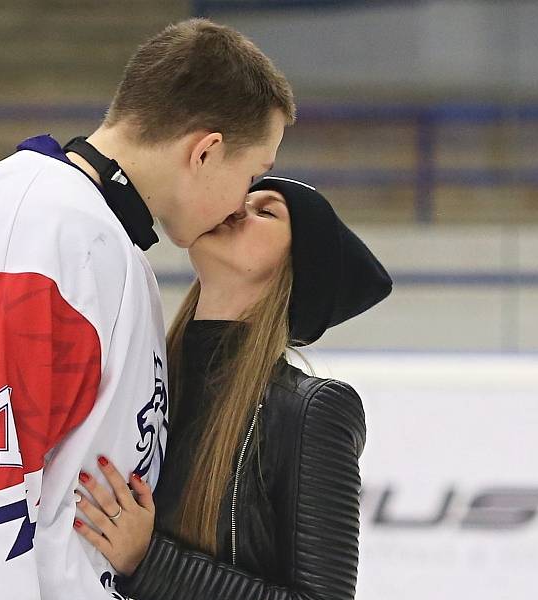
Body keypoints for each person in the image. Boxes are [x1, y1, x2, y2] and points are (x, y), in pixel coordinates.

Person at [0, 19, 295, 600]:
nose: (243, 200)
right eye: (253, 175)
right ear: (206, 150)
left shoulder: (103, 240)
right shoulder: (43, 226)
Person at [72, 176, 393, 600]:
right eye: (244, 197)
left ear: (296, 266)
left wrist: (150, 561)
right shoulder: (141, 375)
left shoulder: (312, 410)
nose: (237, 207)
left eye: (266, 211)